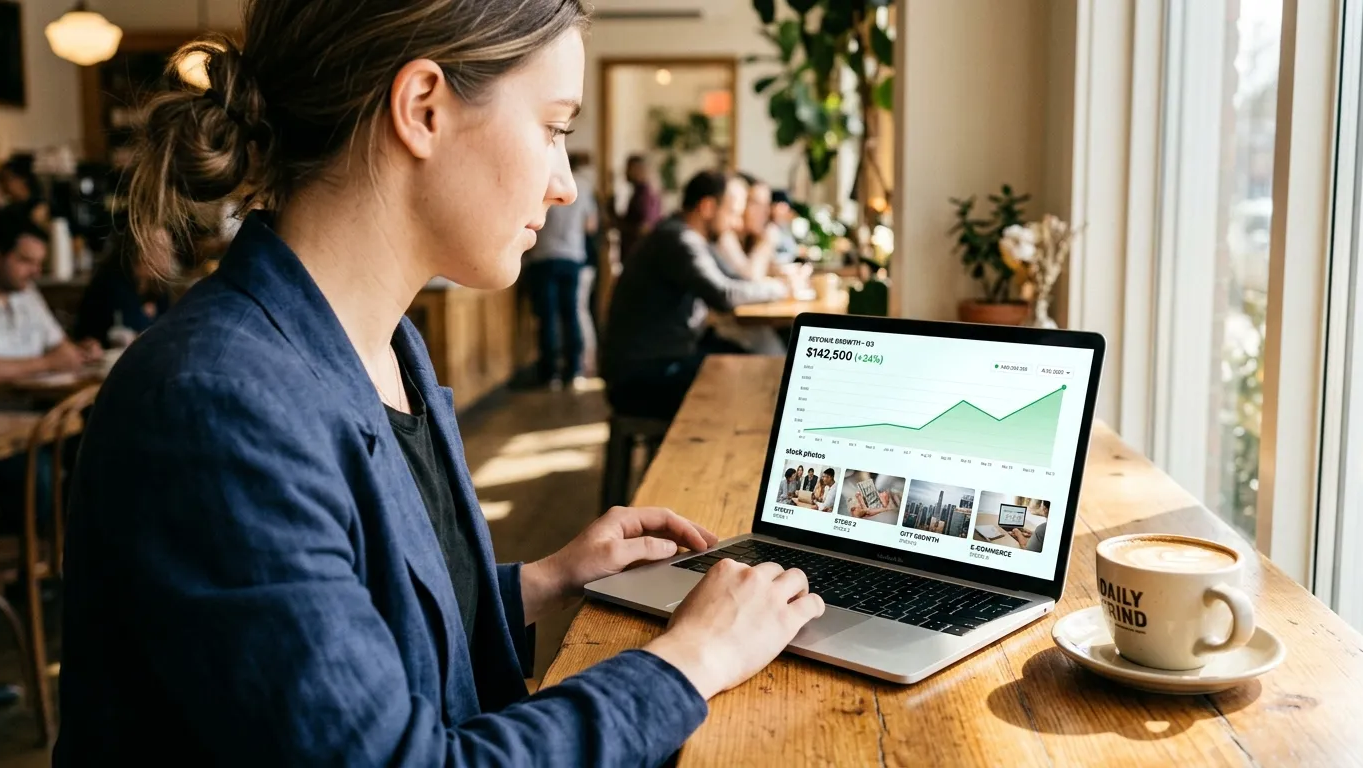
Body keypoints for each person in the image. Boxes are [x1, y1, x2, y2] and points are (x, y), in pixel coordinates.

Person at [55, 3, 824, 765]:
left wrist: (544, 580)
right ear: (423, 108)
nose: (562, 185)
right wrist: (691, 660)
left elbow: (364, 625)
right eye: (554, 128)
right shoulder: (214, 405)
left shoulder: (390, 346)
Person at [602, 171, 790, 420]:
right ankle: (726, 454)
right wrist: (780, 288)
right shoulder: (678, 239)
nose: (735, 223)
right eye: (731, 212)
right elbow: (723, 295)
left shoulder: (690, 238)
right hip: (642, 376)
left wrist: (775, 282)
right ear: (708, 207)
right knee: (756, 377)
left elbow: (737, 281)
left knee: (760, 365)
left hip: (663, 358)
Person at [0, 207, 100, 384]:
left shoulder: (26, 291)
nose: (36, 272)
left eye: (39, 263)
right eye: (26, 261)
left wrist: (78, 351)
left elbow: (58, 343)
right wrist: (47, 363)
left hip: (33, 403)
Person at [524, 152, 597, 387]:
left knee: (548, 316)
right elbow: (591, 225)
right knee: (571, 313)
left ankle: (551, 373)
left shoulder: (543, 179)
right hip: (572, 256)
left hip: (544, 255)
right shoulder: (581, 189)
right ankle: (574, 369)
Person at [72, 223, 172, 348]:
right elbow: (129, 328)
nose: (169, 256)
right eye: (162, 249)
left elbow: (167, 329)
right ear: (141, 251)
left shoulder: (158, 285)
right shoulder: (113, 281)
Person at [617, 154, 662, 263]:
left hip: (639, 258)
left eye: (629, 169)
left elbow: (645, 228)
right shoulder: (639, 192)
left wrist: (619, 224)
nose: (626, 173)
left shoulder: (645, 195)